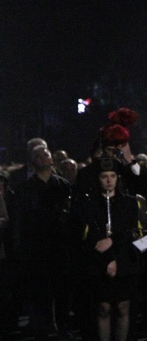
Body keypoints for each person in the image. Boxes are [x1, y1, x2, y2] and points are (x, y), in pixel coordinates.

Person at [75, 156, 147, 341]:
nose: (108, 180)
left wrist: (114, 241)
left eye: (112, 176)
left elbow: (136, 231)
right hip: (99, 261)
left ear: (118, 177)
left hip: (125, 260)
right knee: (103, 308)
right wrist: (108, 258)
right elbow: (87, 235)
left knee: (123, 306)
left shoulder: (130, 202)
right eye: (104, 176)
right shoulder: (88, 203)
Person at [8, 144, 72, 339]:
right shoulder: (25, 189)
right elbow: (19, 220)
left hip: (60, 246)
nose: (44, 158)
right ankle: (42, 326)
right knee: (39, 290)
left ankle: (62, 326)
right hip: (36, 248)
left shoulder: (63, 185)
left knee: (62, 289)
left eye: (46, 154)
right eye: (38, 156)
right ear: (32, 162)